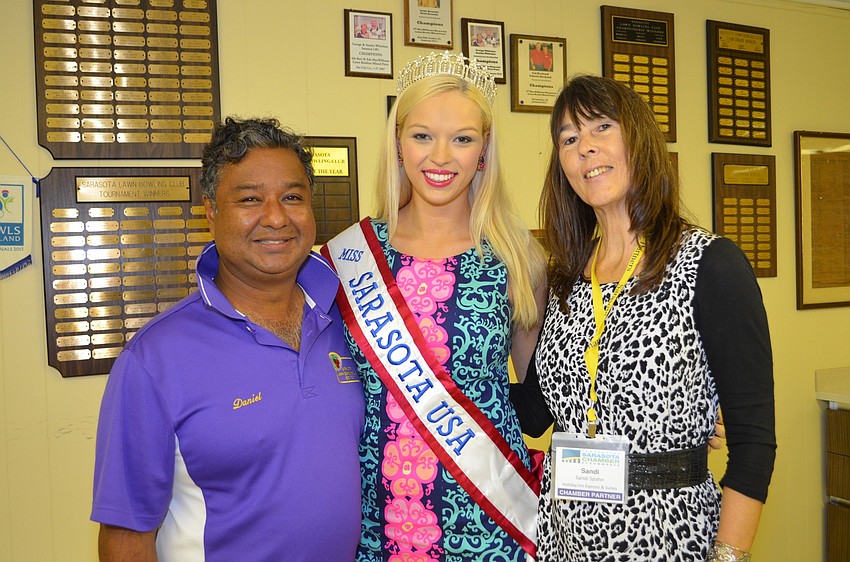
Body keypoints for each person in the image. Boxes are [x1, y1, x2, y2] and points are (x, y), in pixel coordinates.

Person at [519, 74, 776, 561]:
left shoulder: (711, 264)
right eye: (569, 139)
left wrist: (727, 557)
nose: (585, 149)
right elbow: (534, 411)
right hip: (565, 538)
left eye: (601, 128)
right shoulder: (566, 277)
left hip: (668, 536)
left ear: (638, 138)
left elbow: (753, 443)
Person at [90, 117, 365, 562]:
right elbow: (127, 535)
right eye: (250, 199)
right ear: (211, 213)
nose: (276, 217)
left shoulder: (349, 323)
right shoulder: (154, 359)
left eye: (292, 197)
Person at [322, 52, 547, 561]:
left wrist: (668, 411)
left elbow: (548, 395)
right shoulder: (348, 257)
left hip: (491, 518)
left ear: (484, 149)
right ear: (397, 143)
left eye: (462, 138)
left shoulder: (517, 258)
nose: (440, 157)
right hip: (377, 521)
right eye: (422, 135)